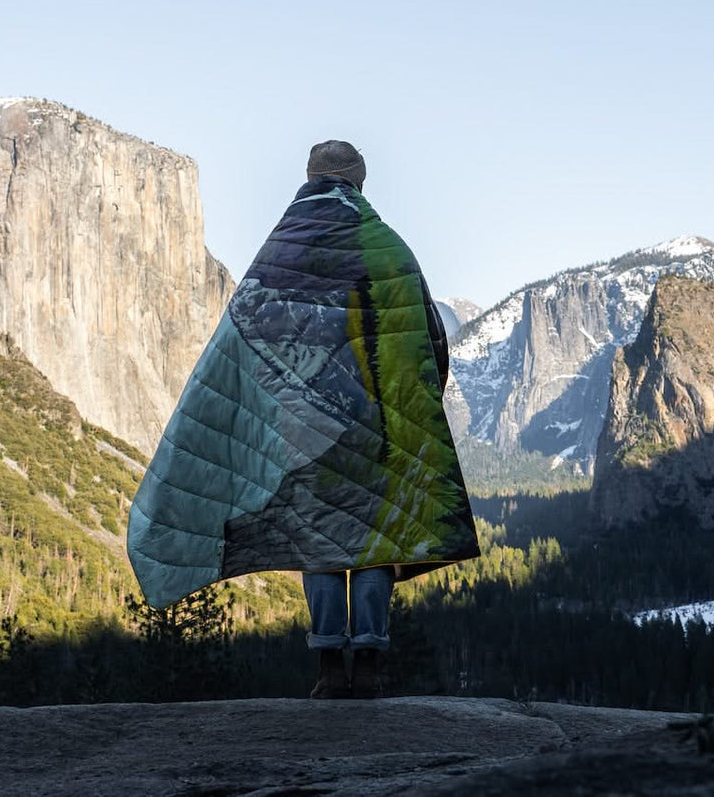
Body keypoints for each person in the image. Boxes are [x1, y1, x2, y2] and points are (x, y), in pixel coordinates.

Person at [128, 140, 479, 699]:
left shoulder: (280, 250)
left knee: (318, 541)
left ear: (311, 178)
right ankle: (367, 662)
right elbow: (429, 338)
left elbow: (241, 336)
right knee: (373, 541)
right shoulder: (390, 250)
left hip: (301, 434)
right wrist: (415, 404)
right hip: (383, 429)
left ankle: (327, 670)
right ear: (359, 183)